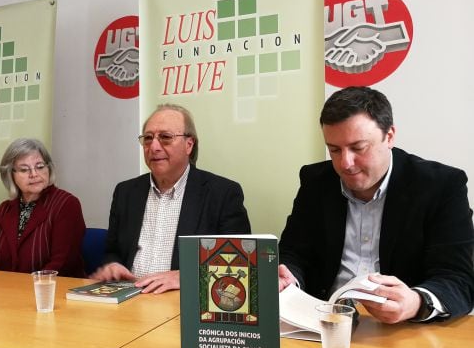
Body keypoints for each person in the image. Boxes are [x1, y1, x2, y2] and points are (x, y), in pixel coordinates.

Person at [278, 86, 474, 323]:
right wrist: (289, 278)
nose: (345, 163)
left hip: (404, 332)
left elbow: (458, 278)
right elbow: (294, 254)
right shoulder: (316, 181)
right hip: (324, 323)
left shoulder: (441, 186)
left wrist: (416, 302)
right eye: (334, 150)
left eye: (358, 148)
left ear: (389, 136)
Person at [91, 103, 251, 294]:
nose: (154, 147)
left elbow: (238, 265)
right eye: (148, 138)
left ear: (189, 145)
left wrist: (187, 276)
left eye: (165, 138)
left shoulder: (222, 194)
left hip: (186, 302)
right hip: (130, 299)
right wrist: (113, 265)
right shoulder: (126, 192)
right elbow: (113, 250)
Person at [0, 138, 86, 276]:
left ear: (49, 168)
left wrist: (24, 291)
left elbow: (61, 265)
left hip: (50, 292)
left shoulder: (66, 204)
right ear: (10, 175)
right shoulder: (4, 210)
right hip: (6, 292)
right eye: (24, 170)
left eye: (40, 167)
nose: (34, 174)